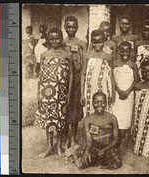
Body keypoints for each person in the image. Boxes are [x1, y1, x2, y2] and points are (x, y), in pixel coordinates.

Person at [35, 28, 74, 158]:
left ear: (61, 39)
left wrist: (68, 93)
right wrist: (38, 94)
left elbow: (72, 74)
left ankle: (58, 146)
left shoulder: (67, 55)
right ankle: (49, 146)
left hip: (61, 93)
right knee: (49, 119)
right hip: (47, 92)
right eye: (51, 39)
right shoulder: (44, 55)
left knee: (60, 119)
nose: (54, 41)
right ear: (48, 40)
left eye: (57, 38)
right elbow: (40, 76)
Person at [65, 92, 122, 169]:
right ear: (92, 103)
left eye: (103, 102)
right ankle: (89, 159)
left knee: (116, 164)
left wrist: (105, 150)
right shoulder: (88, 120)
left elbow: (115, 140)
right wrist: (87, 151)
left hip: (108, 148)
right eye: (96, 102)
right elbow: (89, 140)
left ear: (106, 103)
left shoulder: (112, 118)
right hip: (94, 148)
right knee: (81, 164)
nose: (99, 105)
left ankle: (99, 162)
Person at [62, 16, 88, 148]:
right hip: (64, 81)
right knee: (65, 109)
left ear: (77, 27)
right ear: (64, 27)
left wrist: (81, 83)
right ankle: (65, 137)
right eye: (68, 26)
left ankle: (73, 138)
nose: (71, 29)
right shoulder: (61, 42)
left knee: (75, 109)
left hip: (77, 79)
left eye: (73, 26)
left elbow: (83, 63)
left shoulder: (82, 43)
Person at [81, 30, 115, 118]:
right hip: (89, 89)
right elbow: (83, 74)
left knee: (104, 113)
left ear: (104, 41)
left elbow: (111, 76)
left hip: (104, 89)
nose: (97, 45)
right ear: (91, 42)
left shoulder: (108, 56)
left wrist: (113, 93)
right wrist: (82, 94)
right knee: (90, 112)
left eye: (99, 42)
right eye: (94, 42)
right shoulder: (87, 56)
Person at [112, 41, 138, 152]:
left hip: (129, 94)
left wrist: (127, 91)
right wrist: (118, 90)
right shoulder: (115, 63)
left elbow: (136, 79)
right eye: (122, 51)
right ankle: (117, 139)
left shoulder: (133, 64)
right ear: (119, 51)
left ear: (131, 52)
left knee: (127, 116)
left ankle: (125, 140)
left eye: (127, 51)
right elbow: (112, 78)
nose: (125, 53)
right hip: (118, 94)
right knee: (117, 115)